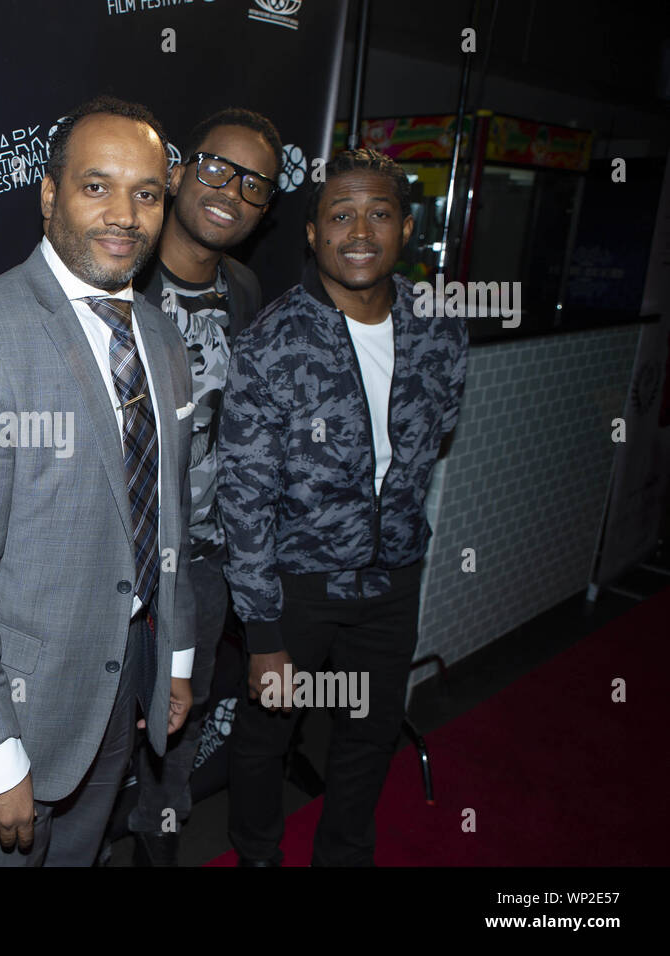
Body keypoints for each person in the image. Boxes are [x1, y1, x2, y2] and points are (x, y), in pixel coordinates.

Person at [0, 96, 196, 866]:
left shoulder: (164, 340)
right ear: (48, 195)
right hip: (10, 719)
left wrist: (176, 662)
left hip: (116, 696)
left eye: (147, 193)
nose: (124, 214)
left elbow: (171, 520)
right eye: (97, 186)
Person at [217, 147, 467, 866]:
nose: (360, 232)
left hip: (393, 581)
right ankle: (258, 854)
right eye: (340, 215)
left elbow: (434, 432)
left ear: (407, 228)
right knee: (267, 736)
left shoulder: (440, 325)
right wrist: (263, 634)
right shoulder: (269, 344)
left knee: (371, 731)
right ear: (311, 231)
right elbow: (245, 498)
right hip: (298, 589)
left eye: (379, 214)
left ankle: (345, 855)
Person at [129, 107, 282, 866]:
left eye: (255, 184)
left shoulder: (247, 291)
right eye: (219, 167)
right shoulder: (118, 272)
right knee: (85, 750)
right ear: (181, 171)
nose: (232, 191)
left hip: (203, 565)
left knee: (172, 753)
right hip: (113, 561)